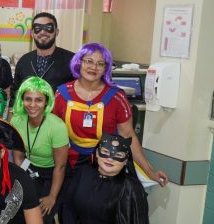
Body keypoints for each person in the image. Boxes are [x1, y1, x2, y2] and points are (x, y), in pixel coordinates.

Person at [52, 42, 168, 186]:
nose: (94, 67)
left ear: (105, 69)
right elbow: (52, 134)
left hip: (108, 167)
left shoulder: (116, 97)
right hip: (69, 166)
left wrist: (150, 172)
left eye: (100, 64)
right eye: (89, 61)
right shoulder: (62, 93)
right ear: (79, 62)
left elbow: (128, 136)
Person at [10, 76, 69, 224]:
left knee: (45, 216)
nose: (32, 105)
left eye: (38, 100)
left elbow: (60, 166)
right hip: (30, 168)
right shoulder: (17, 120)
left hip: (53, 172)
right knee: (26, 210)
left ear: (47, 102)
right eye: (28, 99)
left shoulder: (57, 126)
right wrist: (21, 184)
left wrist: (52, 196)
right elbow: (18, 156)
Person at [9, 12, 74, 116]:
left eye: (48, 28)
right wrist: (11, 117)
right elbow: (15, 93)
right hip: (27, 119)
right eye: (38, 28)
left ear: (57, 32)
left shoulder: (72, 60)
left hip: (59, 119)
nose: (43, 32)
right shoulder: (24, 61)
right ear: (32, 33)